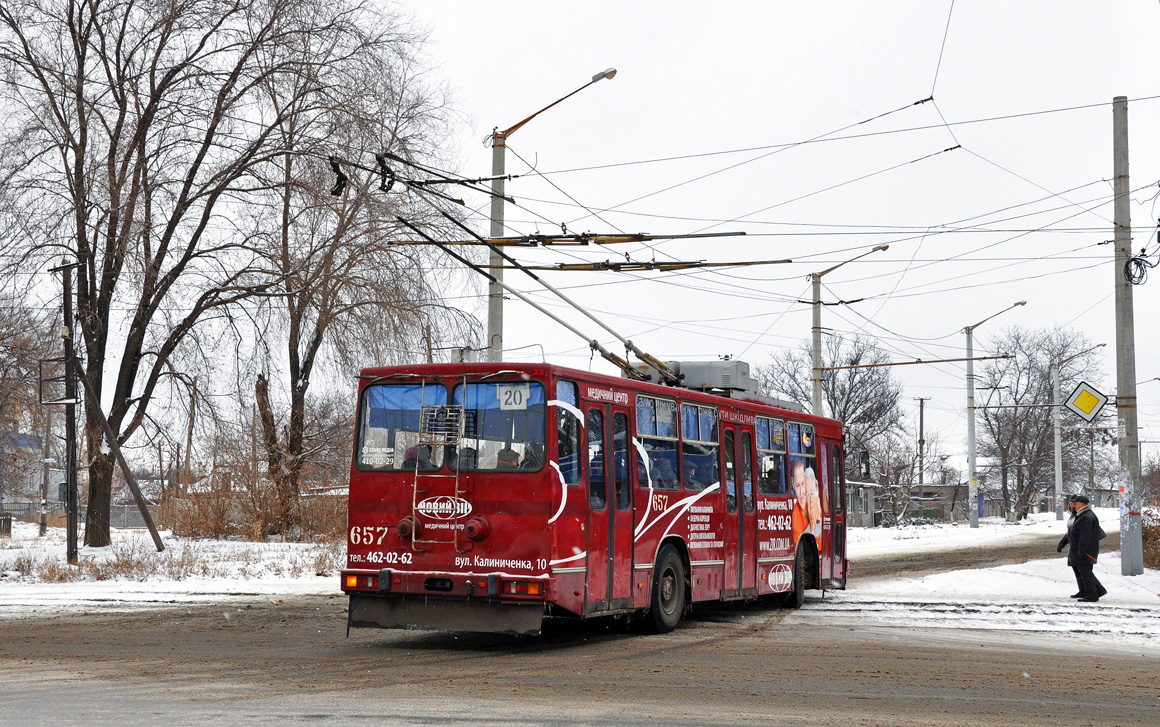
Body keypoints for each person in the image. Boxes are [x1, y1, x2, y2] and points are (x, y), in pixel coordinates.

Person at [1070, 494, 1107, 603]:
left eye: (1075, 504)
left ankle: (1092, 595)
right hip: (1085, 550)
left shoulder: (1086, 517)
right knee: (1086, 572)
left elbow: (1085, 536)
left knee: (1086, 573)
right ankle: (1099, 590)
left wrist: (1082, 550)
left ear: (1082, 504)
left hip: (1085, 551)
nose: (1074, 506)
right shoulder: (1084, 515)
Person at [1057, 495, 1085, 598]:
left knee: (1082, 570)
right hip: (1073, 548)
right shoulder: (1072, 516)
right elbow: (1069, 533)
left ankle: (1087, 590)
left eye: (1073, 504)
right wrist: (1061, 544)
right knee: (1076, 569)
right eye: (1069, 504)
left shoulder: (1079, 516)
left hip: (1078, 548)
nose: (1071, 505)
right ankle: (1082, 590)